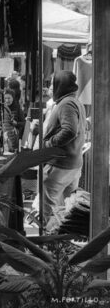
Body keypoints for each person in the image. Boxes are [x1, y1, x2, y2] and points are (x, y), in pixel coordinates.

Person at [40, 70, 86, 222]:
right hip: (71, 164)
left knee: (49, 209)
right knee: (67, 211)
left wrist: (49, 143)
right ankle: (61, 242)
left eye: (54, 82)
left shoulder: (67, 104)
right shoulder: (75, 102)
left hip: (61, 165)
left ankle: (48, 242)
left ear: (60, 85)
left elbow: (70, 130)